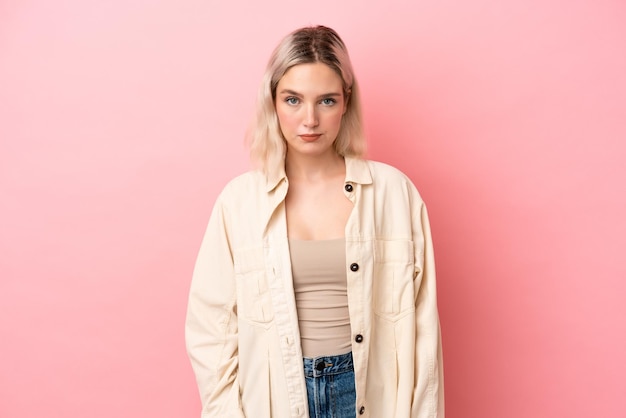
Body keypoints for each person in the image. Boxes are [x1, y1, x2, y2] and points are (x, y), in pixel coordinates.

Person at [185, 25, 444, 418]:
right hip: (275, 398)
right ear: (272, 102)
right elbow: (212, 331)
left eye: (326, 100)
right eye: (293, 100)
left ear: (346, 102)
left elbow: (424, 332)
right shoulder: (239, 203)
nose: (310, 119)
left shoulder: (393, 193)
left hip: (370, 394)